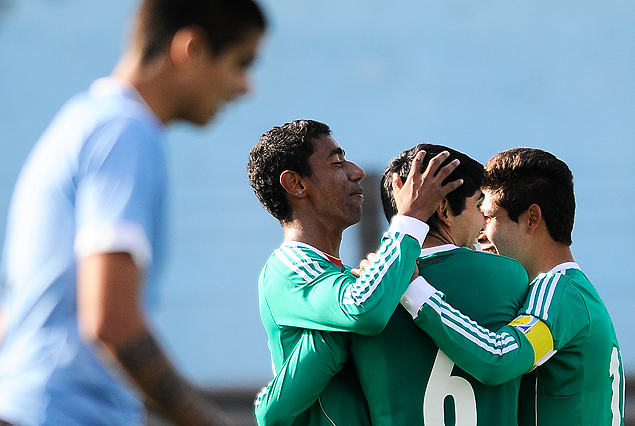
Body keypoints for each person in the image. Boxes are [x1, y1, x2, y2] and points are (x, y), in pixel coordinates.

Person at [0, 1, 266, 425]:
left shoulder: (78, 123)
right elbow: (110, 320)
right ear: (191, 48)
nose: (246, 87)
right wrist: (205, 420)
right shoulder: (126, 132)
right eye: (241, 62)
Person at [254, 144, 532, 425]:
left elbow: (273, 410)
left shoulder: (366, 296)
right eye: (477, 206)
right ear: (444, 209)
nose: (484, 221)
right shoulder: (511, 275)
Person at [247, 121, 462, 425]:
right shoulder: (288, 268)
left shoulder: (344, 276)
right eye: (337, 162)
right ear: (296, 184)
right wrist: (411, 217)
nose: (356, 171)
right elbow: (363, 310)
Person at [401, 148, 625, 425]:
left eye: (490, 216)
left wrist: (413, 290)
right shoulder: (572, 291)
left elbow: (500, 358)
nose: (480, 231)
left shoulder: (558, 290)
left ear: (532, 218)